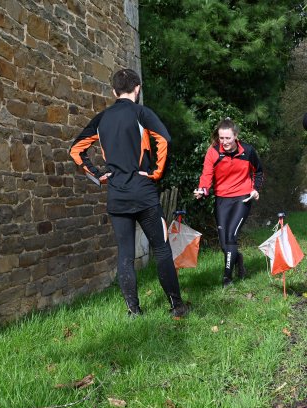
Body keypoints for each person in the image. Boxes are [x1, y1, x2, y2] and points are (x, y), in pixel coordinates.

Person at [70, 68, 188, 318]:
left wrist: (97, 175)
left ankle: (134, 311)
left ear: (114, 91)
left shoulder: (101, 119)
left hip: (117, 195)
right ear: (137, 89)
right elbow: (164, 140)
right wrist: (156, 172)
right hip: (143, 193)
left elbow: (76, 150)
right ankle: (177, 306)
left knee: (125, 254)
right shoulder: (142, 113)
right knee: (162, 248)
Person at [194, 117, 263, 286]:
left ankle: (227, 278)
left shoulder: (248, 151)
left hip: (242, 198)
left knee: (232, 235)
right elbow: (207, 175)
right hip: (222, 199)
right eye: (221, 138)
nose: (224, 142)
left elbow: (259, 172)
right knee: (225, 244)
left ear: (236, 136)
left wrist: (255, 190)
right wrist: (202, 190)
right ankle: (237, 258)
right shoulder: (214, 152)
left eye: (228, 138)